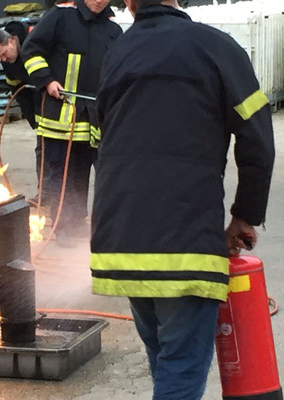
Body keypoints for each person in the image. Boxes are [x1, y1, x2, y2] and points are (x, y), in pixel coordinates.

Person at [91, 0, 275, 398]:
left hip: (122, 240)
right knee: (181, 367)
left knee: (165, 358)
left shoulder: (117, 53)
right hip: (186, 240)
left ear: (128, 3)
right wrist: (245, 216)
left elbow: (101, 134)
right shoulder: (217, 47)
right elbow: (258, 139)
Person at [21, 0, 123, 246]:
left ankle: (76, 223)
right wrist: (47, 80)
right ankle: (61, 227)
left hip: (91, 121)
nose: (100, 1)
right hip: (59, 119)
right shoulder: (60, 16)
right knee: (59, 175)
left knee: (80, 175)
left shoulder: (113, 30)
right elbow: (31, 51)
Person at [0, 21, 44, 204]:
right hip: (37, 103)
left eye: (3, 54)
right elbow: (18, 91)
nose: (3, 59)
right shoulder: (8, 64)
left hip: (54, 97)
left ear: (11, 41)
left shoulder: (35, 41)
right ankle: (45, 195)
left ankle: (59, 198)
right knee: (42, 150)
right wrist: (33, 119)